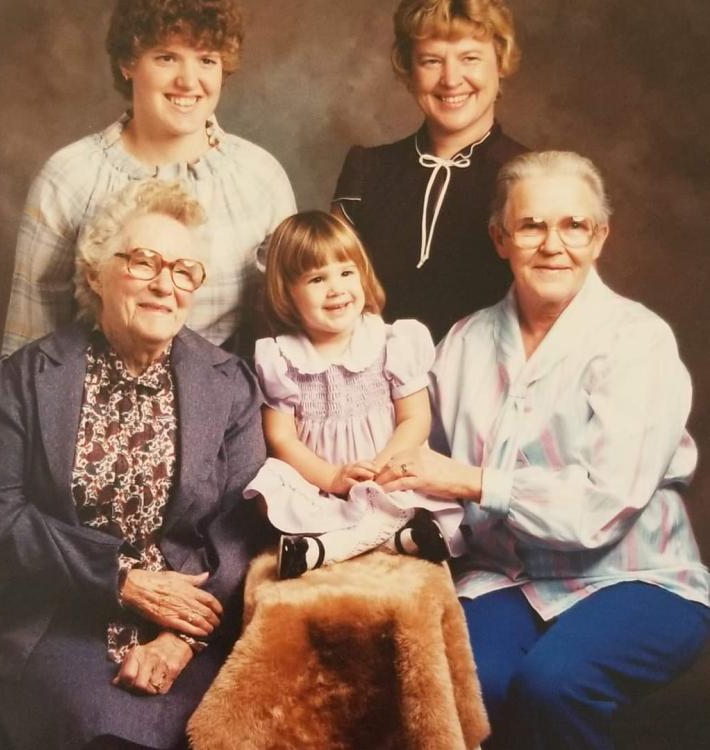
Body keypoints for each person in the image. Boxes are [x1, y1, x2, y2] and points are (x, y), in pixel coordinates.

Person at [376, 151, 710, 749]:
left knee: (551, 685)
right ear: (501, 238)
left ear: (600, 236)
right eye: (531, 226)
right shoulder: (463, 342)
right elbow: (430, 473)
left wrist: (478, 482)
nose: (553, 244)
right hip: (505, 577)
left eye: (574, 225)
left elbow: (601, 508)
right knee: (457, 681)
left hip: (636, 577)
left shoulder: (637, 341)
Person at [0, 180, 268, 750]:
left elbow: (242, 527)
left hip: (192, 622)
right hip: (58, 617)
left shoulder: (229, 385)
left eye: (183, 271)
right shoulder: (23, 380)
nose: (163, 284)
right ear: (96, 274)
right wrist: (124, 581)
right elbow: (3, 523)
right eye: (144, 261)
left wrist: (183, 639)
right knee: (103, 734)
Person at [2, 0, 295, 357]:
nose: (189, 81)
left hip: (224, 404)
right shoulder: (68, 178)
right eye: (166, 57)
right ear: (128, 63)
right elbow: (27, 347)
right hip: (90, 403)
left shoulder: (261, 178)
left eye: (206, 59)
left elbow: (290, 336)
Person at [243, 211, 455, 579]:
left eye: (346, 272)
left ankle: (325, 549)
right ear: (287, 293)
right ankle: (395, 540)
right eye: (317, 279)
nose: (337, 288)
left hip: (388, 469)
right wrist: (332, 478)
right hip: (321, 481)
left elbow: (415, 418)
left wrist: (382, 467)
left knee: (419, 486)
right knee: (270, 489)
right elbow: (281, 437)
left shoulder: (392, 341)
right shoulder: (281, 357)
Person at [332, 0, 526, 344]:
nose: (451, 80)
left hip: (489, 383)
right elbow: (331, 294)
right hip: (375, 383)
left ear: (501, 61)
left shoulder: (534, 178)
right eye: (431, 61)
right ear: (408, 70)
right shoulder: (367, 169)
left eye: (470, 58)